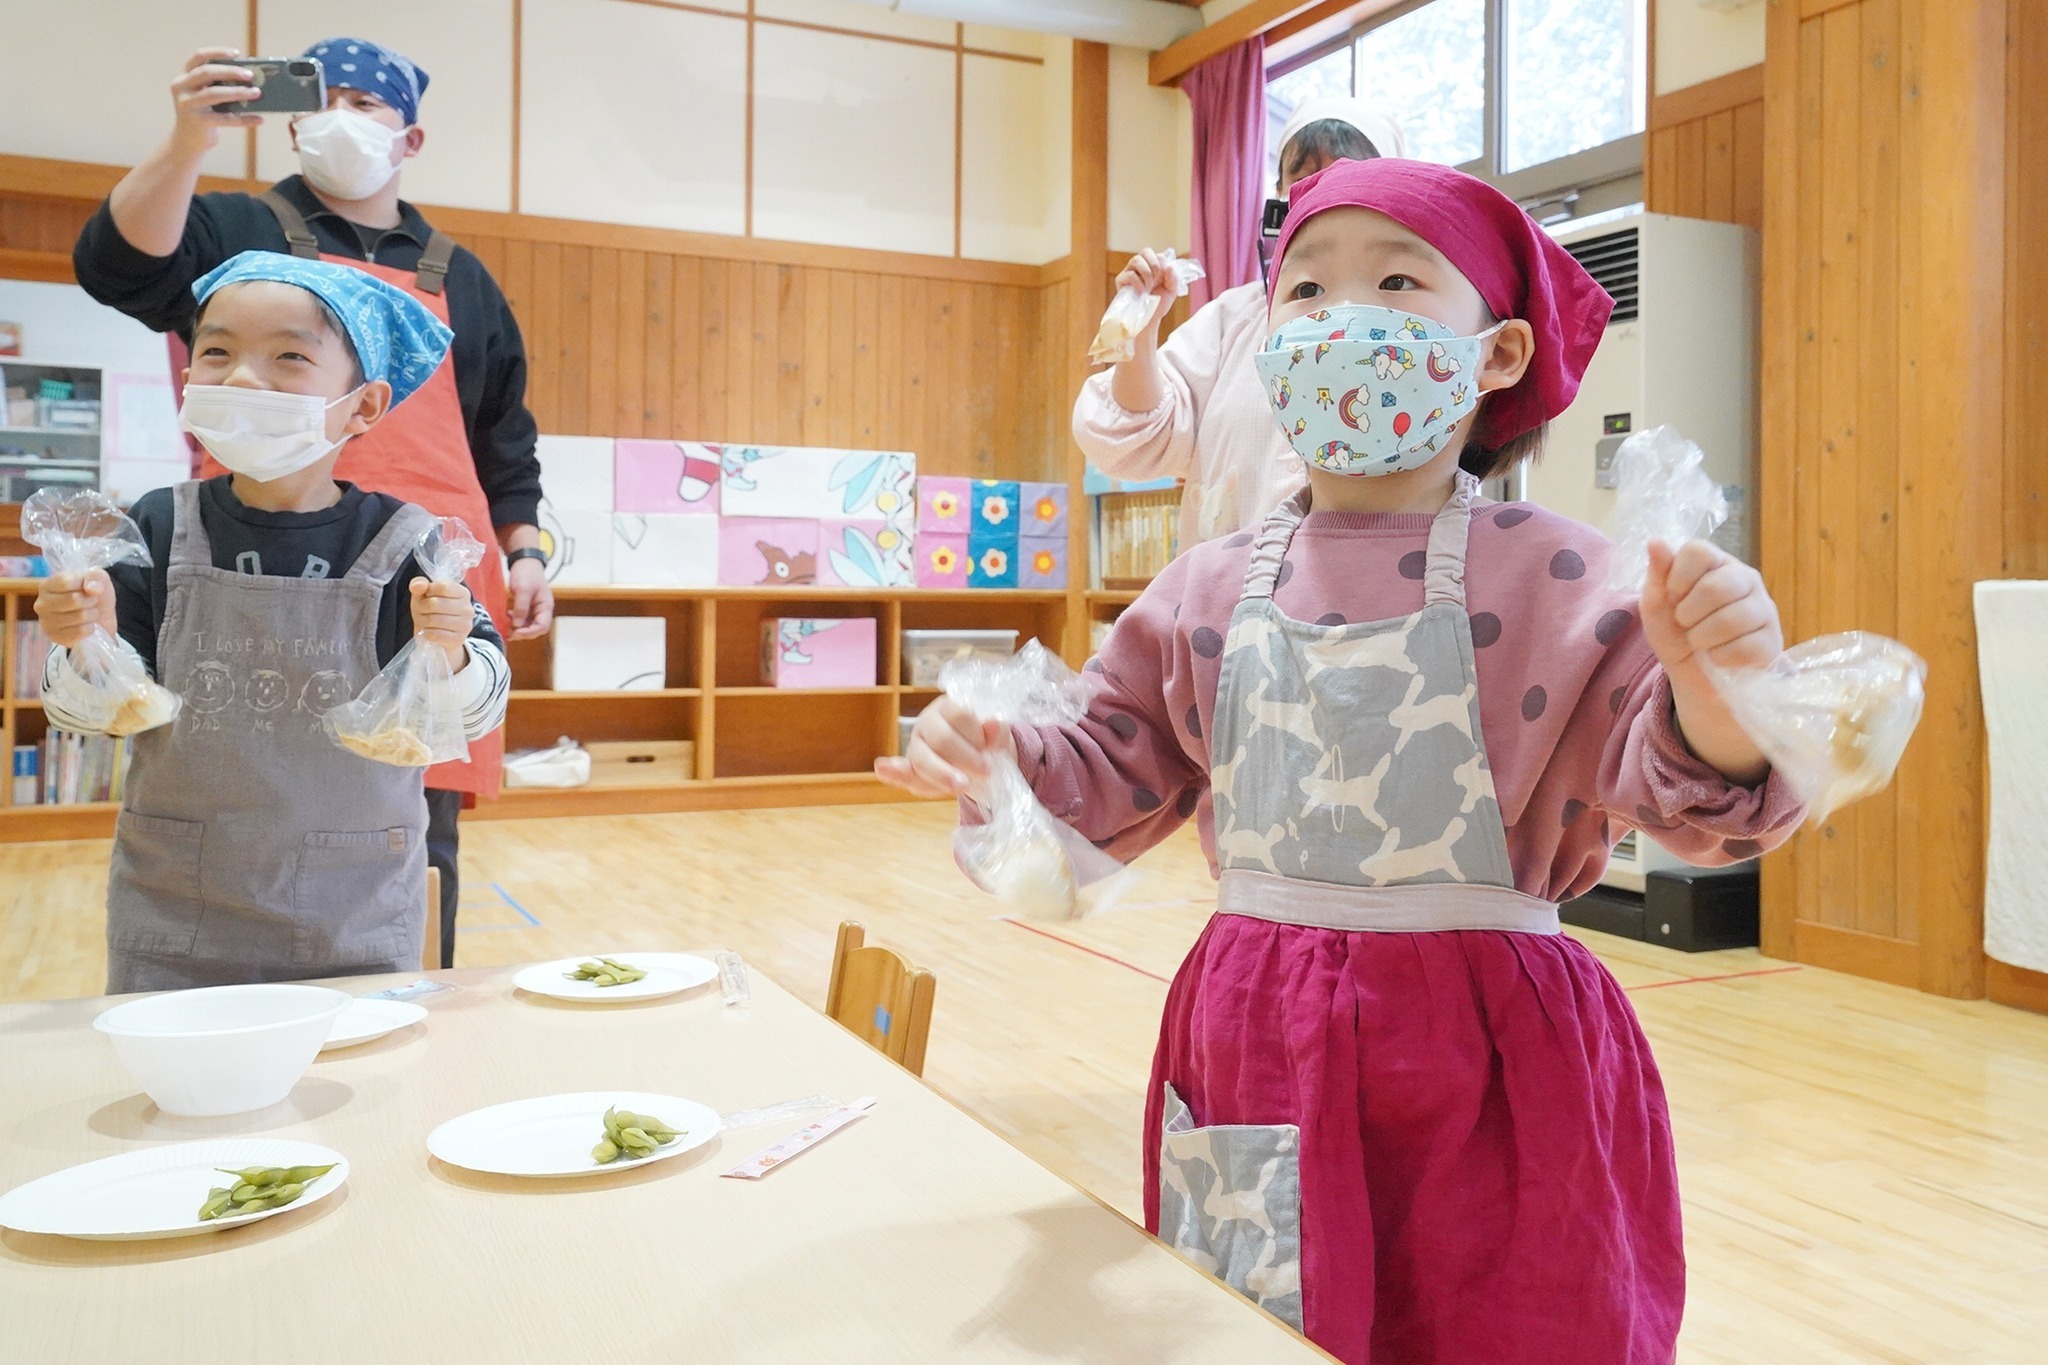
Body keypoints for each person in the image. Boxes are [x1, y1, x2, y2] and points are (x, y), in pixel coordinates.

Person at [884, 158, 1805, 1363]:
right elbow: (1104, 777)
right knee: (1258, 1327)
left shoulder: (1566, 578)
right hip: (1257, 1039)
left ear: (1498, 355)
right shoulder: (1206, 586)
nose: (1336, 318)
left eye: (1395, 282)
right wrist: (1001, 759)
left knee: (1514, 1321)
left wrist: (1715, 686)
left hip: (1496, 1057)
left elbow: (1690, 807)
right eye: (1304, 290)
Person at [73, 39, 551, 967]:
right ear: (291, 121)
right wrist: (186, 140)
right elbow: (118, 268)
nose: (341, 114)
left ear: (409, 136)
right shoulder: (234, 226)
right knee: (230, 786)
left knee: (416, 807)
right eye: (323, 98)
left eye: (366, 103)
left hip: (421, 571)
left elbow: (505, 429)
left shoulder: (460, 272)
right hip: (257, 551)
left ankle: (403, 996)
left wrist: (521, 548)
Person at [36, 252, 510, 993]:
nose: (243, 378)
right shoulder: (158, 525)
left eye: (288, 356)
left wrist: (449, 654)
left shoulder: (407, 543)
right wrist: (84, 640)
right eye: (217, 351)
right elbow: (98, 709)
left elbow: (475, 709)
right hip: (178, 911)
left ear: (363, 406)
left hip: (352, 912)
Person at [1074, 98, 1408, 551]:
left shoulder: (1413, 317)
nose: (1325, 193)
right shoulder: (1235, 318)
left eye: (1348, 173)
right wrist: (1143, 330)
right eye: (1304, 178)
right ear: (1279, 195)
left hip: (1376, 593)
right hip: (1229, 605)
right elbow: (1132, 444)